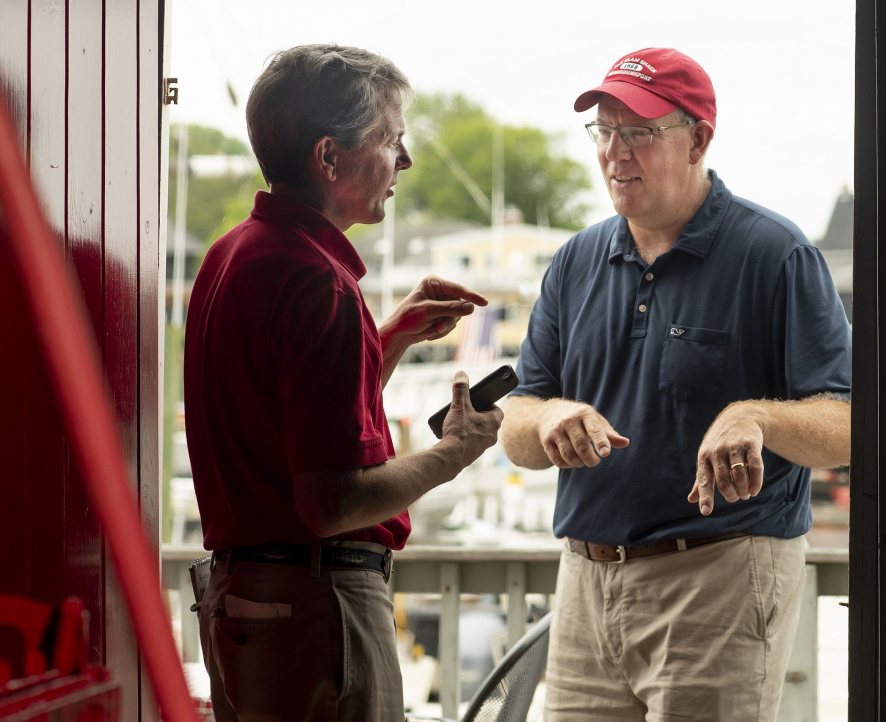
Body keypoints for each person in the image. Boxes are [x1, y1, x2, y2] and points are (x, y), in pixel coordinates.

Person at [500, 47, 851, 722]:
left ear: (699, 139)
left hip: (717, 580)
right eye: (604, 131)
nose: (614, 152)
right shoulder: (575, 261)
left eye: (639, 132)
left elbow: (848, 423)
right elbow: (518, 424)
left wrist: (757, 418)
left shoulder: (776, 254)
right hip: (584, 582)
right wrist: (546, 420)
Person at [183, 44, 503, 722]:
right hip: (315, 609)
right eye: (392, 139)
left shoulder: (233, 253)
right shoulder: (319, 282)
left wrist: (388, 339)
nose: (405, 162)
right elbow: (331, 502)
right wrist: (456, 451)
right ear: (330, 157)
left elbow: (288, 417)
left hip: (244, 602)